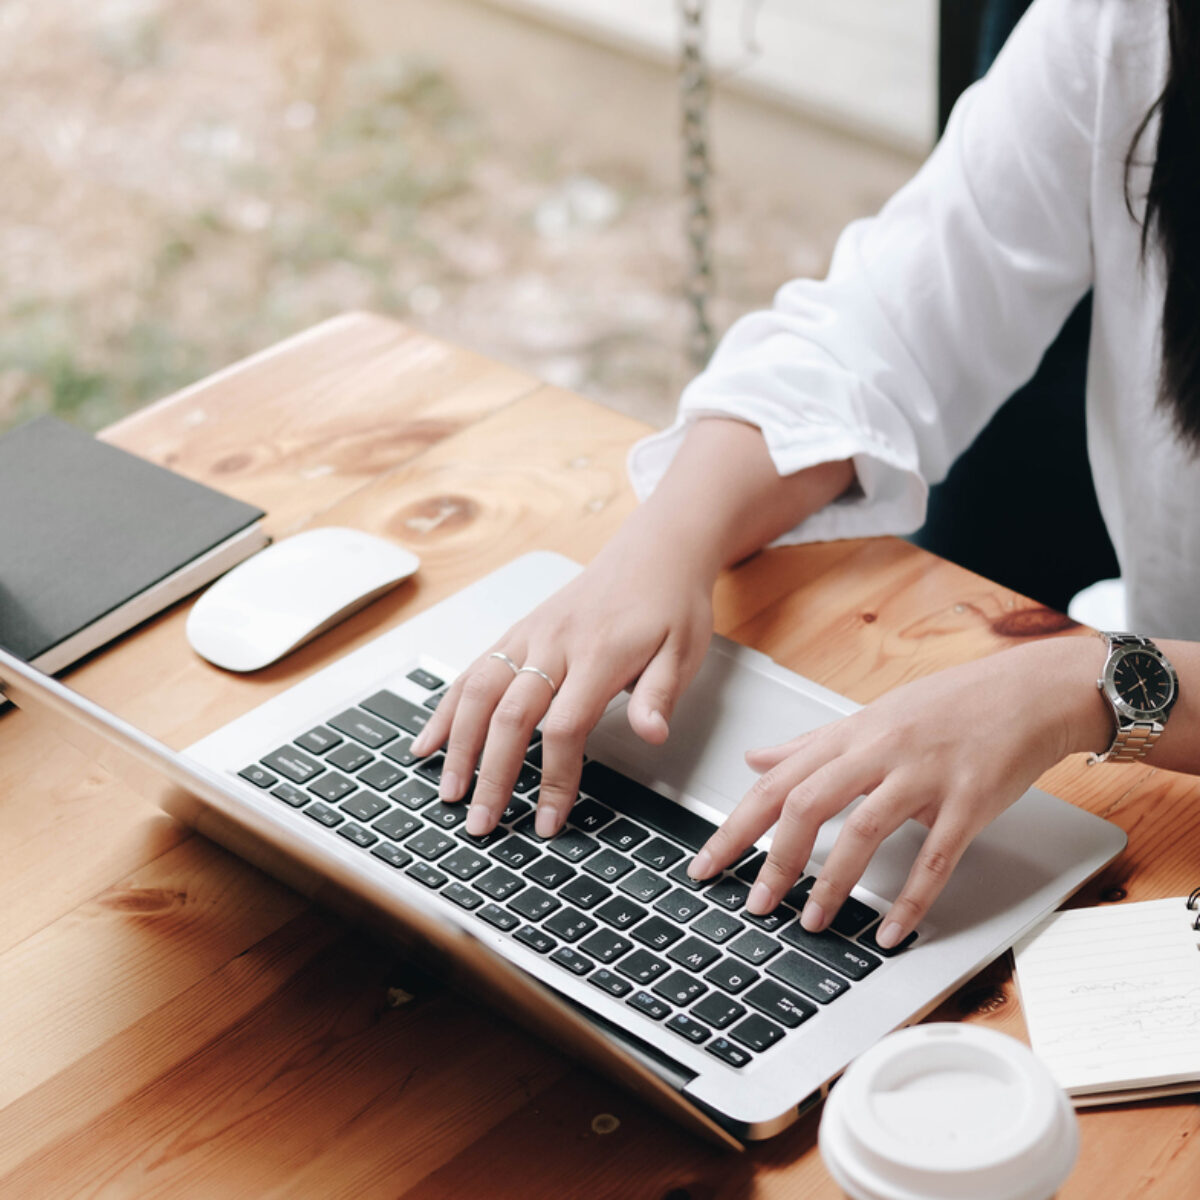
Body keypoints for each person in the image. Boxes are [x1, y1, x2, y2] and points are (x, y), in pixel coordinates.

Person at [410, 0, 1200, 953]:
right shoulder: (1131, 23)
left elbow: (1085, 687)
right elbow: (879, 329)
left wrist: (1085, 683)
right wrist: (662, 545)